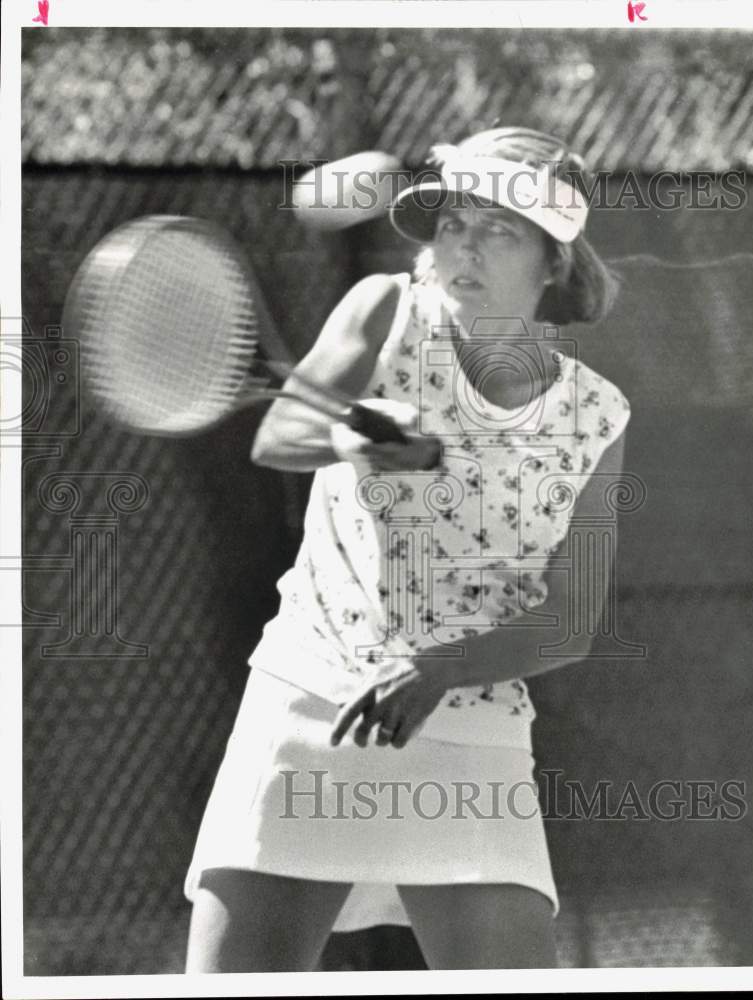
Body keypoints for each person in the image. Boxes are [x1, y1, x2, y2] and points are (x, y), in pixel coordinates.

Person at [183, 127, 631, 972]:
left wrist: (441, 672)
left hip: (471, 734)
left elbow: (570, 621)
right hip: (314, 702)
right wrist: (362, 440)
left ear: (553, 261)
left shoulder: (597, 417)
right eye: (453, 224)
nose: (463, 245)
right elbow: (283, 434)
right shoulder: (385, 310)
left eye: (497, 228)